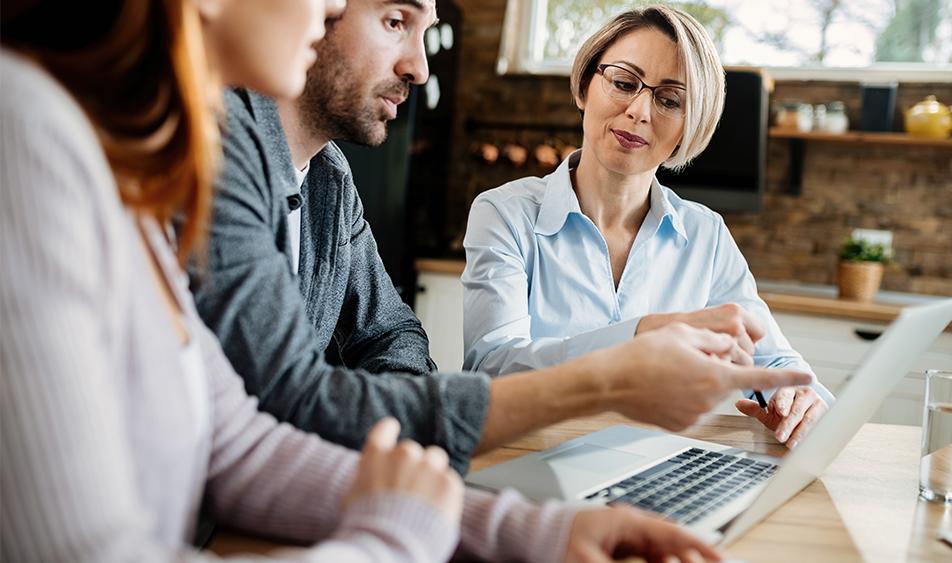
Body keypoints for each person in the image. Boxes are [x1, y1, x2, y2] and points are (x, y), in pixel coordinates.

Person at [0, 1, 729, 561]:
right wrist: (395, 534)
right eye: (391, 20)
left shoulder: (119, 158)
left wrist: (529, 530)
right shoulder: (31, 136)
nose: (326, 9)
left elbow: (240, 441)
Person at [190, 0, 814, 474]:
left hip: (649, 467)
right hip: (523, 463)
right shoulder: (221, 144)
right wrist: (627, 354)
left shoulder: (329, 175)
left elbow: (392, 335)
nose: (420, 66)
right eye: (394, 22)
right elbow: (293, 396)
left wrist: (798, 394)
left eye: (670, 99)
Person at [463, 5, 832, 449]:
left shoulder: (705, 235)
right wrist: (638, 337)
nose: (639, 111)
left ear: (688, 127)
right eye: (623, 83)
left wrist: (796, 398)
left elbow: (771, 357)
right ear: (585, 86)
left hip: (658, 464)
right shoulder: (504, 214)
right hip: (532, 462)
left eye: (670, 100)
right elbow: (491, 369)